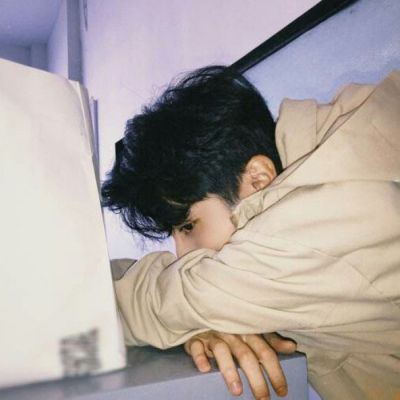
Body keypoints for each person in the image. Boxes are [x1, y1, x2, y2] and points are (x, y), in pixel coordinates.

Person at [102, 66, 400, 400]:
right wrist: (199, 326)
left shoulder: (311, 229)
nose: (182, 253)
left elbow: (106, 304)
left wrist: (192, 316)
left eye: (188, 226)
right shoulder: (333, 166)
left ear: (257, 179)